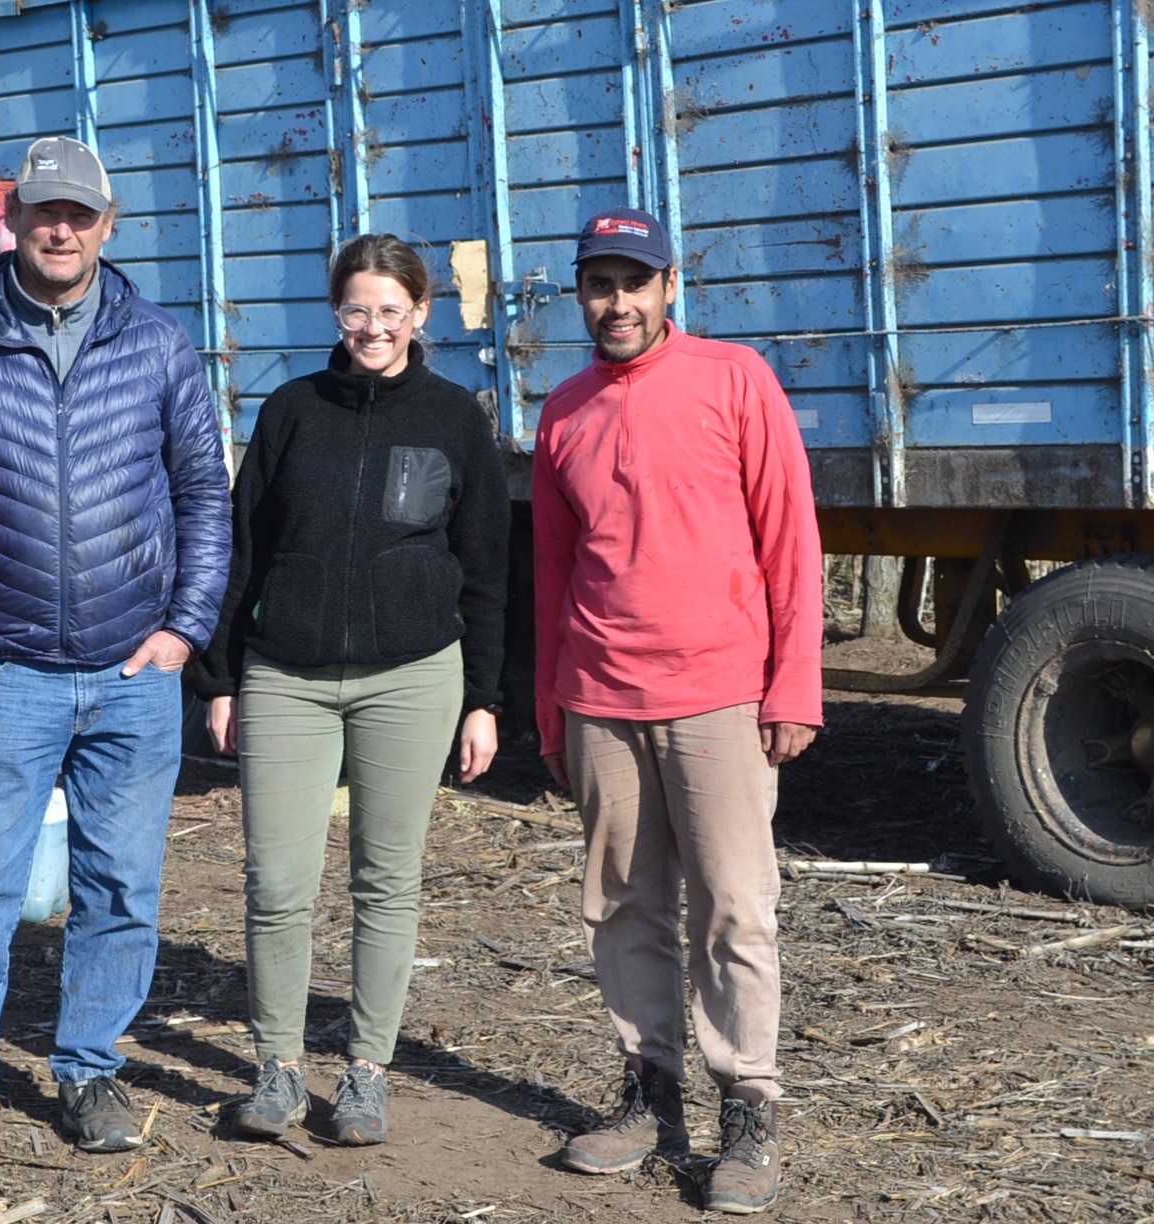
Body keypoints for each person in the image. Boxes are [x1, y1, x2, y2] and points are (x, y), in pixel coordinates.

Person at [0, 135, 231, 1167]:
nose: (61, 229)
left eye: (81, 215)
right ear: (12, 218)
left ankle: (89, 1068)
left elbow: (203, 497)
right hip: (5, 673)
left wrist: (185, 629)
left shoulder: (159, 344)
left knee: (121, 890)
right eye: (45, 211)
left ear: (107, 225)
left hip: (134, 675)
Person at [190, 234, 510, 1146]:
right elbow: (242, 548)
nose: (373, 327)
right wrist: (221, 677)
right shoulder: (292, 410)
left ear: (421, 314)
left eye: (390, 310)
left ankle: (366, 1071)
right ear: (336, 313)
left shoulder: (454, 418)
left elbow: (486, 566)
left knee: (386, 880)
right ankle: (278, 1068)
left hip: (412, 679)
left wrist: (483, 697)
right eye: (355, 310)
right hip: (286, 675)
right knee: (276, 882)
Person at [532, 207, 822, 1214]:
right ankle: (650, 1096)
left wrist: (796, 684)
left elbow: (790, 537)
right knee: (621, 902)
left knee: (736, 907)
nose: (616, 303)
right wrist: (550, 705)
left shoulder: (736, 379)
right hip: (601, 695)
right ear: (581, 294)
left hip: (719, 693)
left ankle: (748, 1107)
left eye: (634, 283)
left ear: (668, 289)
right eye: (598, 285)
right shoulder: (564, 410)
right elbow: (555, 572)